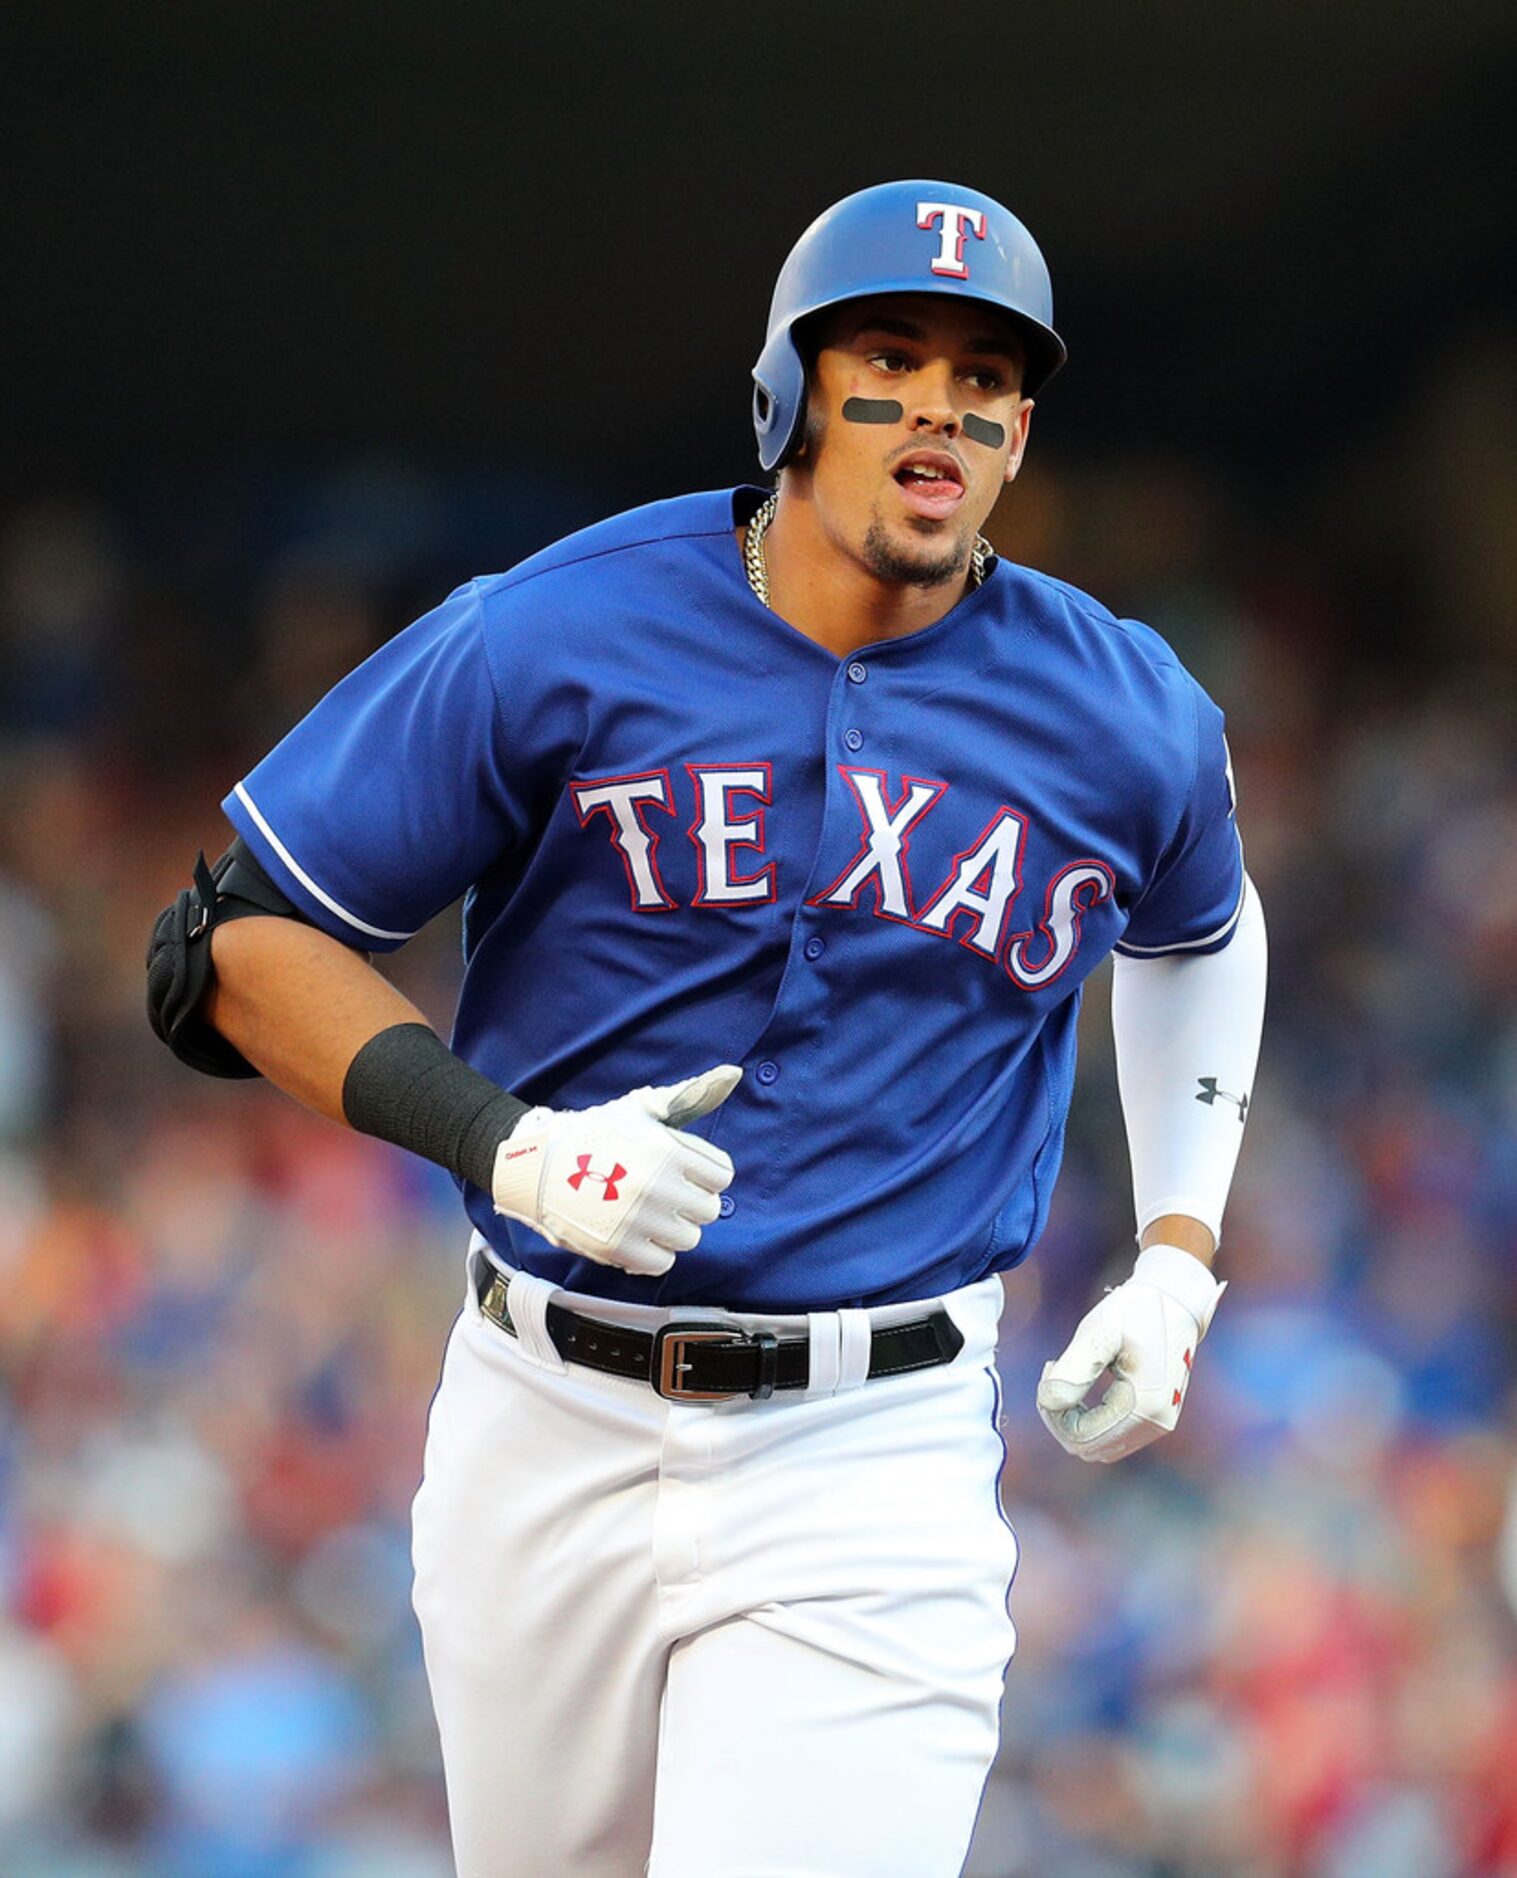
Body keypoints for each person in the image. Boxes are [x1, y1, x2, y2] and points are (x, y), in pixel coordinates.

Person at [147, 179, 1266, 1878]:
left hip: (870, 1445)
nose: (941, 409)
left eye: (987, 375)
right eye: (890, 356)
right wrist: (503, 1138)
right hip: (542, 1411)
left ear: (1021, 430)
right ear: (792, 394)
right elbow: (227, 942)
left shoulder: (1122, 710)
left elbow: (1204, 924)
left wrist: (1178, 1250)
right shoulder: (560, 624)